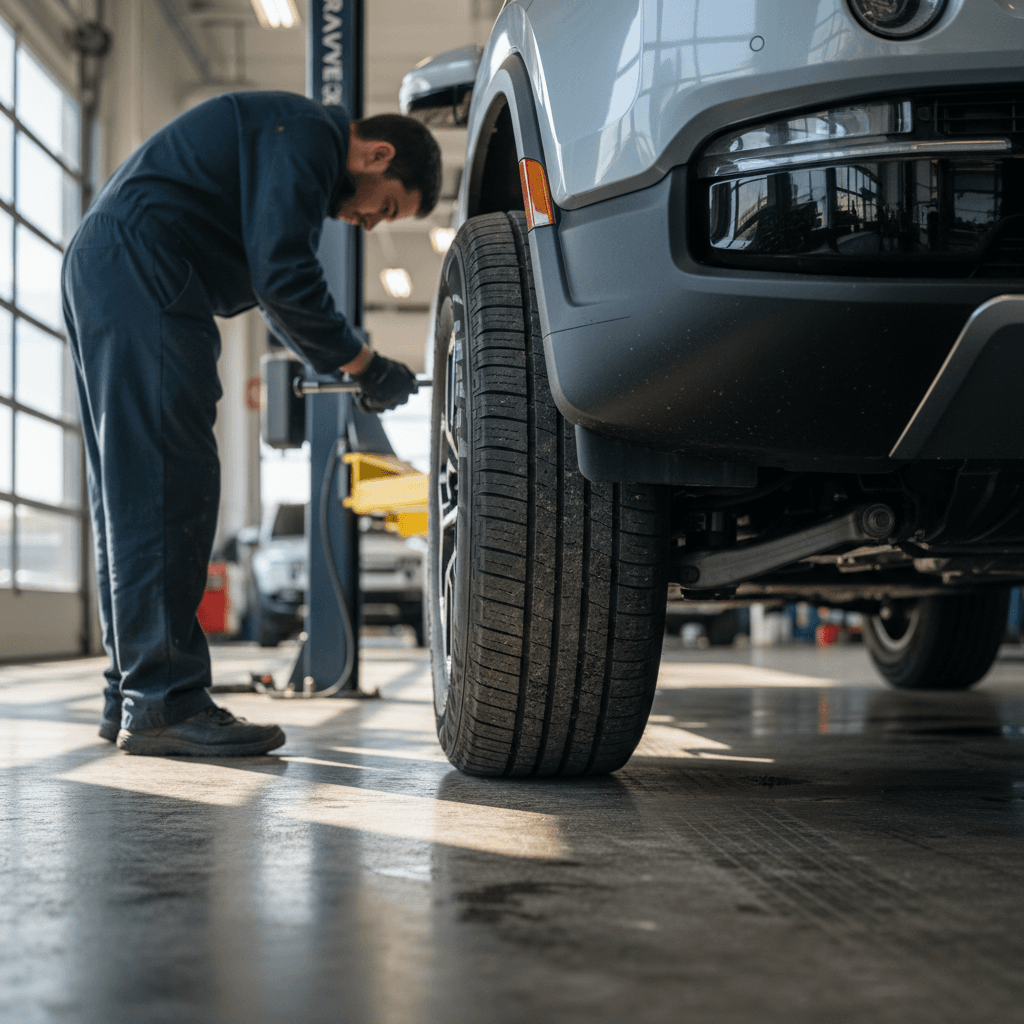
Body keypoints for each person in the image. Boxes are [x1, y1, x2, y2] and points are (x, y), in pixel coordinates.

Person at [61, 91, 442, 757]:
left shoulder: (286, 136)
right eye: (384, 207)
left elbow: (274, 276)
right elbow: (283, 276)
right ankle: (164, 702)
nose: (370, 223)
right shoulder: (309, 137)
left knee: (132, 491)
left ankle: (129, 689)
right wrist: (365, 364)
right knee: (168, 484)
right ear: (377, 155)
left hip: (120, 267)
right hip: (144, 270)